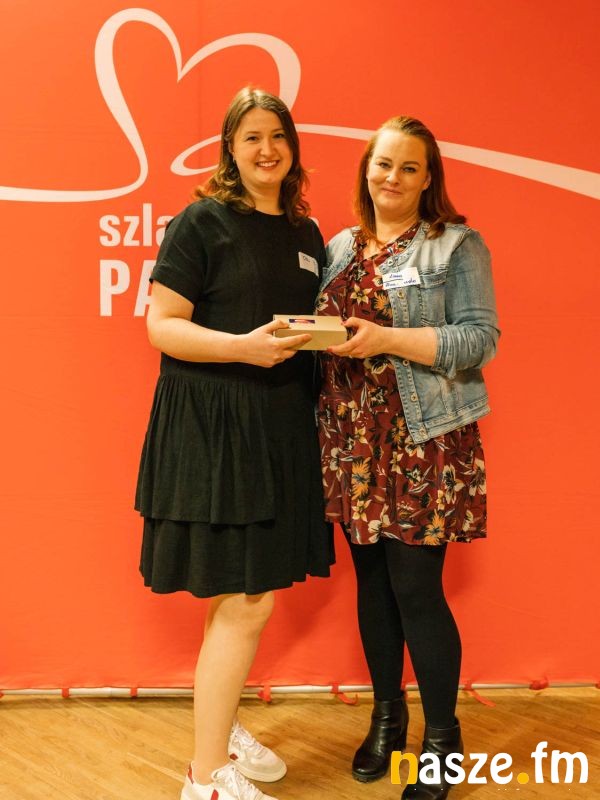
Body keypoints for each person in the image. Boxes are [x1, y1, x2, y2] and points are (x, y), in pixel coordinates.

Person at [135, 87, 334, 800]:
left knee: (244, 595)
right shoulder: (202, 222)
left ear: (292, 147)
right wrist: (241, 349)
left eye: (277, 135)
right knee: (246, 599)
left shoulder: (308, 234)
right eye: (251, 137)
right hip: (215, 426)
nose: (266, 149)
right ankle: (205, 776)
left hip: (280, 426)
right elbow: (162, 325)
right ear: (230, 149)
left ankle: (217, 732)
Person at [316, 116, 499, 800]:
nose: (391, 177)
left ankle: (443, 744)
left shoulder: (456, 245)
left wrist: (388, 339)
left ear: (428, 179)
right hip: (351, 441)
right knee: (373, 585)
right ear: (366, 169)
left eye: (408, 167)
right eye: (382, 163)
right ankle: (387, 718)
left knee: (417, 589)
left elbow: (479, 340)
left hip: (425, 440)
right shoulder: (339, 247)